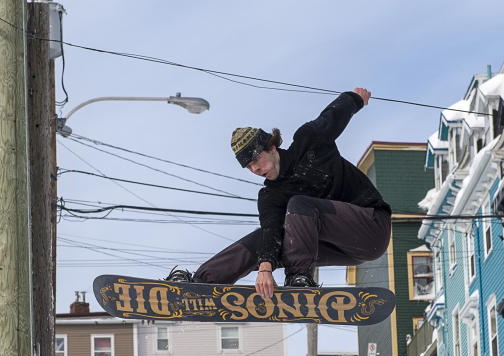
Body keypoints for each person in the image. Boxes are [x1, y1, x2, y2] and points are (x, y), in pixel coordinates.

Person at [166, 88, 392, 299]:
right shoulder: (270, 196)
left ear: (272, 147)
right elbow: (270, 233)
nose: (254, 169)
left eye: (256, 159)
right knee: (262, 238)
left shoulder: (309, 141)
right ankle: (200, 284)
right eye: (248, 167)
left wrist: (356, 98)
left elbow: (333, 116)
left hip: (370, 227)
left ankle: (299, 278)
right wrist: (265, 269)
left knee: (299, 205)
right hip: (337, 246)